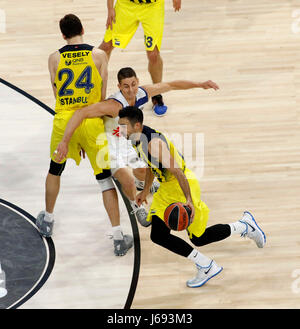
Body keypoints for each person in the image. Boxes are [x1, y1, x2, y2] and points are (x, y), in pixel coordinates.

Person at [118, 106, 267, 288]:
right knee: (158, 235)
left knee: (199, 238)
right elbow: (151, 166)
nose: (121, 129)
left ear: (137, 125)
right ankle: (205, 265)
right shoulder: (136, 139)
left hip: (181, 186)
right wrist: (145, 189)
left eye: (124, 125)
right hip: (167, 187)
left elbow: (178, 172)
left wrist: (188, 200)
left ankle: (243, 226)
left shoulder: (153, 144)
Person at [53, 67, 219, 228]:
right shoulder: (113, 105)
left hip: (128, 139)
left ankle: (145, 187)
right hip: (109, 142)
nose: (131, 90)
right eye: (126, 86)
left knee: (143, 170)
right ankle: (136, 206)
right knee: (128, 180)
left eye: (133, 84)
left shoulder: (142, 93)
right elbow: (81, 113)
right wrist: (69, 141)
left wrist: (199, 84)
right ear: (119, 87)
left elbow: (171, 85)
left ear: (138, 82)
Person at [37, 14, 133, 257]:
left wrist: (71, 133)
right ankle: (119, 237)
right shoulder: (99, 56)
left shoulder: (54, 58)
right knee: (104, 180)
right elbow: (101, 97)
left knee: (54, 169)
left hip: (64, 120)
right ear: (82, 29)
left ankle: (47, 219)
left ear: (62, 35)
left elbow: (56, 90)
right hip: (91, 120)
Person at [99, 0, 182, 116]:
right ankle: (94, 89)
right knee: (106, 46)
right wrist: (110, 8)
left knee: (153, 55)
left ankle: (156, 94)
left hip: (153, 6)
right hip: (126, 5)